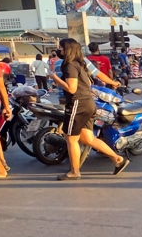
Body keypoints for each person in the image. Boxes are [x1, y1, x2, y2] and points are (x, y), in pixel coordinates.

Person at [48, 39, 129, 181]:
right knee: (88, 138)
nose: (58, 51)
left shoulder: (70, 65)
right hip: (88, 103)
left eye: (60, 48)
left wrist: (55, 78)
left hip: (77, 104)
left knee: (70, 138)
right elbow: (96, 75)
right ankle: (118, 159)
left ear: (67, 50)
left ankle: (74, 172)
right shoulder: (81, 63)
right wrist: (113, 82)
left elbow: (71, 88)